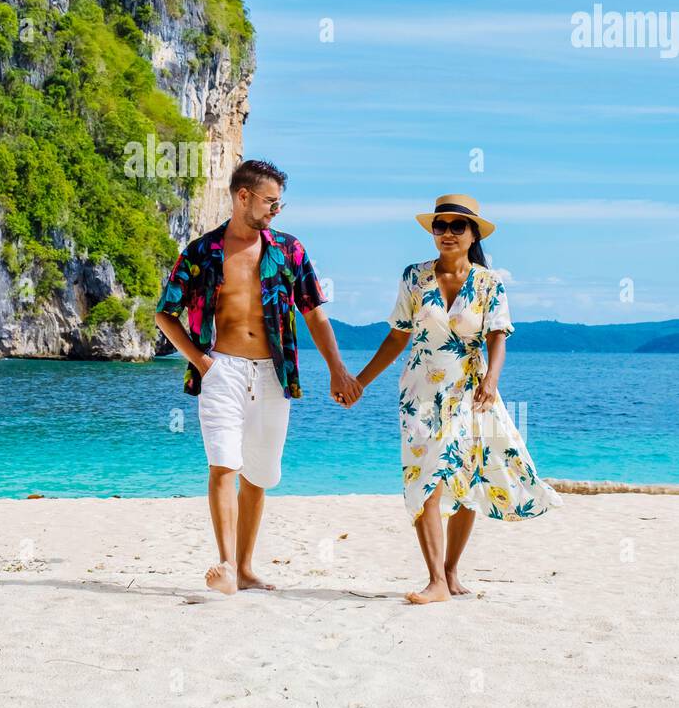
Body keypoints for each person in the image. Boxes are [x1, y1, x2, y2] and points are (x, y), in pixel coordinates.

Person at [155, 159, 362, 595]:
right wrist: (201, 361)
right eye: (270, 201)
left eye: (280, 203)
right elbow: (165, 314)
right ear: (242, 196)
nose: (276, 210)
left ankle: (246, 568)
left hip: (273, 373)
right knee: (224, 465)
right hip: (221, 369)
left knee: (259, 474)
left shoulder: (290, 250)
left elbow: (315, 316)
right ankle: (227, 565)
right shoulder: (201, 252)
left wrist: (338, 370)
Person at [354, 193, 562, 605]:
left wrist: (492, 380)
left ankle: (449, 573)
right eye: (440, 226)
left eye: (456, 226)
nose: (447, 233)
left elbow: (497, 335)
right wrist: (360, 381)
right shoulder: (414, 276)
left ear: (472, 235)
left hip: (471, 390)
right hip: (419, 393)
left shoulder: (489, 282)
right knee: (423, 478)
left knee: (466, 478)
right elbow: (398, 335)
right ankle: (434, 580)